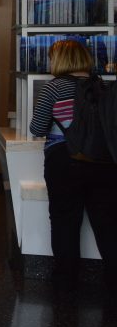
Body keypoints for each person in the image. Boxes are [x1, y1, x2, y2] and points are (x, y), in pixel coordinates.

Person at [29, 39, 117, 296]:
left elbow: (36, 128)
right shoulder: (104, 87)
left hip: (64, 161)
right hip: (105, 164)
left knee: (65, 222)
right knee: (108, 225)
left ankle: (65, 285)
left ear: (60, 60)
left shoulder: (53, 88)